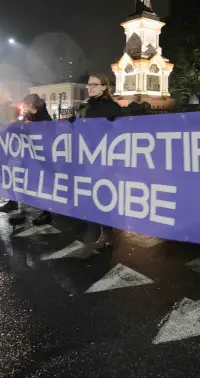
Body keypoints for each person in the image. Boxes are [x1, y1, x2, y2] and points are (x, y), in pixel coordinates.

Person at [75, 74, 124, 259]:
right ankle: (107, 235)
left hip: (105, 160)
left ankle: (90, 243)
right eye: (89, 84)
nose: (90, 87)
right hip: (89, 158)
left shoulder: (112, 108)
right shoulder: (88, 106)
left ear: (104, 87)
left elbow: (121, 132)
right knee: (101, 198)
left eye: (94, 84)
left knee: (95, 199)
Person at [8, 94, 54, 226]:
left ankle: (47, 213)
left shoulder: (44, 118)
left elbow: (47, 134)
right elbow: (21, 131)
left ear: (32, 105)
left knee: (43, 186)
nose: (24, 107)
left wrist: (32, 126)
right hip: (31, 156)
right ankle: (24, 210)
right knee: (26, 183)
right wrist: (15, 125)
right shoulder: (28, 117)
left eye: (26, 104)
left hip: (43, 158)